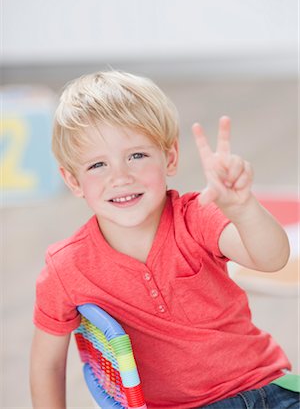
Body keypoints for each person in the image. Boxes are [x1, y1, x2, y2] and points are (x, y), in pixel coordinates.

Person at [30, 70, 299, 409]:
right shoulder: (66, 268)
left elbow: (271, 258)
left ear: (169, 157)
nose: (120, 177)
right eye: (97, 164)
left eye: (137, 156)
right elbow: (47, 365)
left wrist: (244, 208)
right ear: (72, 181)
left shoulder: (196, 215)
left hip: (269, 386)